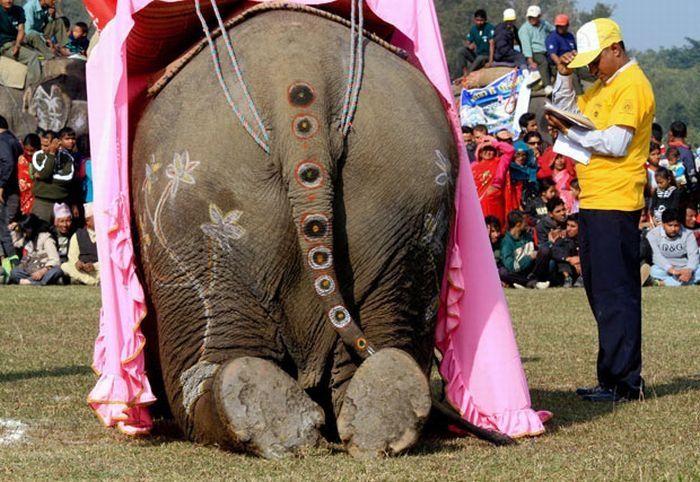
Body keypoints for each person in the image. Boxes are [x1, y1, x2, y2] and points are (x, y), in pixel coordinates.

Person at [546, 18, 654, 402]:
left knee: (616, 292)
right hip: (593, 200)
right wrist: (565, 78)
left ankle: (625, 382)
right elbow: (566, 111)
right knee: (599, 289)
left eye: (594, 61)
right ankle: (611, 376)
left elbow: (617, 142)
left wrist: (570, 131)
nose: (590, 68)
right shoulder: (602, 86)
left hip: (616, 199)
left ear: (615, 49)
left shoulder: (632, 85)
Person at [31, 126, 77, 223]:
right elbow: (44, 174)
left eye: (47, 146)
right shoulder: (37, 155)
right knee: (41, 235)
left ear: (56, 144)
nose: (44, 149)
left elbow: (67, 178)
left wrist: (46, 178)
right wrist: (51, 155)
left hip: (61, 203)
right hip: (42, 204)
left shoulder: (67, 158)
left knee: (62, 236)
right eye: (42, 145)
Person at [647, 208, 700, 286]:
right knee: (654, 270)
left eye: (676, 225)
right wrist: (673, 271)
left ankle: (663, 283)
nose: (673, 229)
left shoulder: (688, 234)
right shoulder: (653, 234)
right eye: (670, 225)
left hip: (685, 266)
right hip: (665, 267)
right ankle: (690, 282)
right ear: (663, 224)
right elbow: (657, 256)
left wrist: (689, 270)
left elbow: (693, 255)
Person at [499, 209, 551, 289]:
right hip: (518, 272)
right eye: (524, 221)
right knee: (503, 273)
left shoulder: (527, 235)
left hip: (532, 270)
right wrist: (529, 258)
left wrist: (550, 242)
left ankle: (530, 281)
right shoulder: (506, 243)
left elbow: (537, 250)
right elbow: (511, 266)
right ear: (518, 224)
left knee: (545, 251)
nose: (527, 223)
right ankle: (531, 283)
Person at [8, 214, 63, 285]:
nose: (24, 233)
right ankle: (35, 281)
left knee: (57, 271)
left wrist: (42, 272)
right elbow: (16, 243)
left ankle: (29, 282)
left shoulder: (46, 238)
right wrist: (16, 230)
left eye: (25, 230)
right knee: (14, 272)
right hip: (30, 269)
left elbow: (55, 260)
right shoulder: (28, 238)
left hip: (44, 269)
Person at [472, 137, 514, 228]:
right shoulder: (473, 167)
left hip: (494, 201)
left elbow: (510, 150)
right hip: (477, 202)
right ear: (479, 152)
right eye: (484, 150)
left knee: (495, 227)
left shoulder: (500, 162)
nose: (488, 152)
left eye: (491, 150)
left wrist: (494, 143)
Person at [0, 115, 22, 278]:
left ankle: (12, 266)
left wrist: (1, 185)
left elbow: (7, 163)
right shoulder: (14, 140)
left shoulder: (2, 141)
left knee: (3, 229)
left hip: (6, 193)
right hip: (14, 191)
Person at [0, 0, 42, 85]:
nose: (9, 1)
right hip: (5, 46)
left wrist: (18, 45)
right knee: (33, 57)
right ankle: (33, 88)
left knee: (41, 57)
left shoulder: (18, 10)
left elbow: (21, 29)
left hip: (17, 43)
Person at [518, 5, 554, 95]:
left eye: (534, 17)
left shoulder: (544, 24)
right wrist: (530, 60)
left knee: (555, 64)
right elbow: (526, 46)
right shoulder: (524, 29)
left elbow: (553, 30)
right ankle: (547, 86)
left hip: (547, 50)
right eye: (530, 17)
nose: (532, 19)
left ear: (539, 16)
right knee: (544, 63)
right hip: (535, 52)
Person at [61, 202, 99, 285]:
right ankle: (93, 282)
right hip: (83, 270)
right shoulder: (77, 235)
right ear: (87, 221)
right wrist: (78, 264)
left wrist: (94, 266)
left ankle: (89, 280)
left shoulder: (105, 236)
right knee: (65, 266)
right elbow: (72, 257)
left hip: (99, 269)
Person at [546, 14, 583, 94]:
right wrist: (560, 64)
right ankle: (580, 95)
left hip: (572, 61)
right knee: (573, 77)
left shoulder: (570, 36)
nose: (559, 28)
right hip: (558, 64)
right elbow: (553, 54)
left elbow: (575, 50)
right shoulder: (552, 37)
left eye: (562, 26)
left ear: (567, 25)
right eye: (558, 26)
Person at [456, 9, 494, 77]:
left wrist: (490, 61)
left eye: (481, 20)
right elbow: (467, 42)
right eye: (477, 20)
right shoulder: (473, 29)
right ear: (474, 20)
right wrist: (469, 46)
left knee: (480, 58)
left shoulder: (490, 28)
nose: (479, 22)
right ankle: (464, 72)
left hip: (486, 56)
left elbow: (492, 45)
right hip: (477, 56)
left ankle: (466, 76)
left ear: (485, 20)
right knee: (461, 51)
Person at [667, 120, 698, 196]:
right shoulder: (687, 153)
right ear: (686, 134)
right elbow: (691, 175)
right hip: (684, 193)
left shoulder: (668, 152)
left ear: (671, 134)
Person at [552, 213, 582, 287]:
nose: (568, 229)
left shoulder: (588, 239)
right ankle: (567, 278)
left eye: (572, 226)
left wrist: (580, 259)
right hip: (568, 268)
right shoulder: (563, 237)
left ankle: (582, 278)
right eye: (568, 225)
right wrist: (568, 259)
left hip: (583, 267)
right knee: (562, 256)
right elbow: (554, 250)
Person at [17, 132, 40, 216]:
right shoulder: (21, 159)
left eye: (32, 150)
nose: (29, 153)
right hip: (23, 196)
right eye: (27, 150)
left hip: (36, 196)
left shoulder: (41, 160)